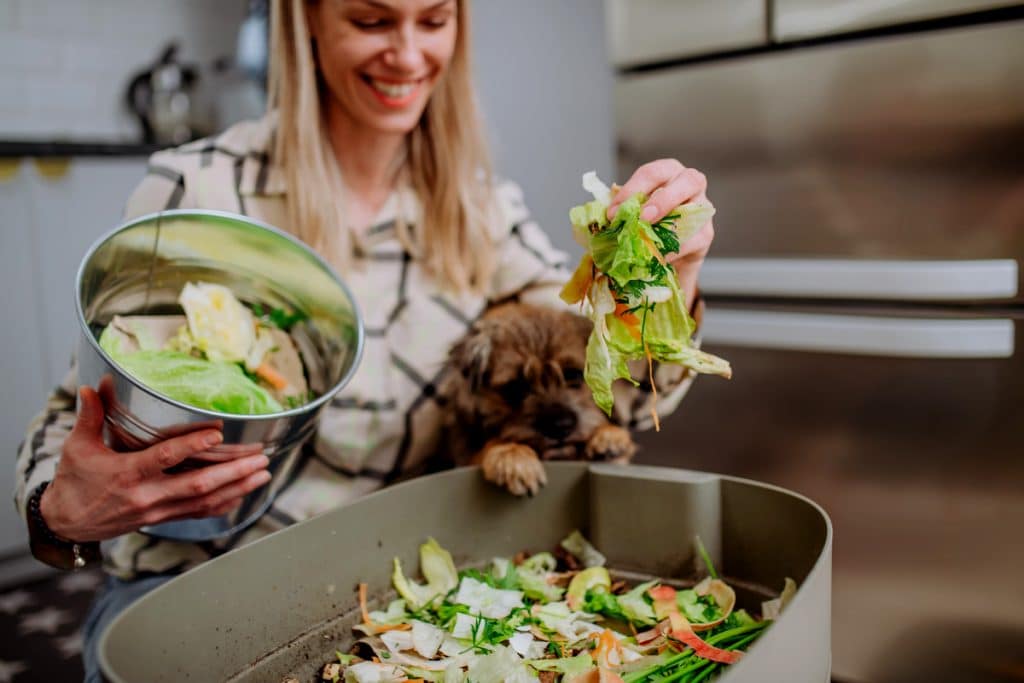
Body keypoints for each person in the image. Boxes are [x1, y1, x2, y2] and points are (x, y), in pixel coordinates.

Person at [13, 1, 716, 680]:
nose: (408, 54)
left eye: (434, 20)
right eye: (371, 19)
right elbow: (78, 416)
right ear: (307, 19)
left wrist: (663, 280)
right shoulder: (202, 186)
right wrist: (58, 513)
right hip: (199, 585)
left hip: (393, 589)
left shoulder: (481, 211)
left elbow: (603, 381)